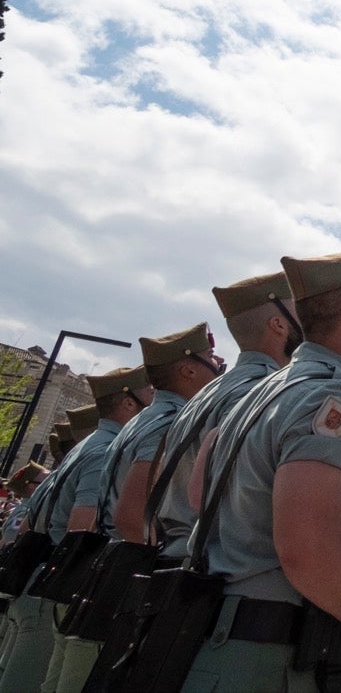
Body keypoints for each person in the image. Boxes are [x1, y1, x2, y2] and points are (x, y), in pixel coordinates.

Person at [181, 244, 341, 693]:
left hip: (216, 632)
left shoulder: (261, 391)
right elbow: (309, 546)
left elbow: (198, 496)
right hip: (265, 652)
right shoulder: (330, 393)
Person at [42, 325, 217, 693]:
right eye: (211, 359)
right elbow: (131, 517)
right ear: (188, 368)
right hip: (122, 585)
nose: (217, 365)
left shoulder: (139, 421)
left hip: (101, 574)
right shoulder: (168, 421)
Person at [0, 369, 149, 693]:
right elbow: (82, 527)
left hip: (37, 579)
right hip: (56, 585)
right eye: (148, 393)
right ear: (127, 402)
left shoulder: (87, 447)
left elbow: (26, 526)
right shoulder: (105, 450)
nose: (154, 399)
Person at [151, 271, 301, 562]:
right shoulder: (258, 390)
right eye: (300, 312)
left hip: (177, 555)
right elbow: (203, 495)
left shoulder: (209, 393)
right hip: (212, 564)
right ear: (279, 324)